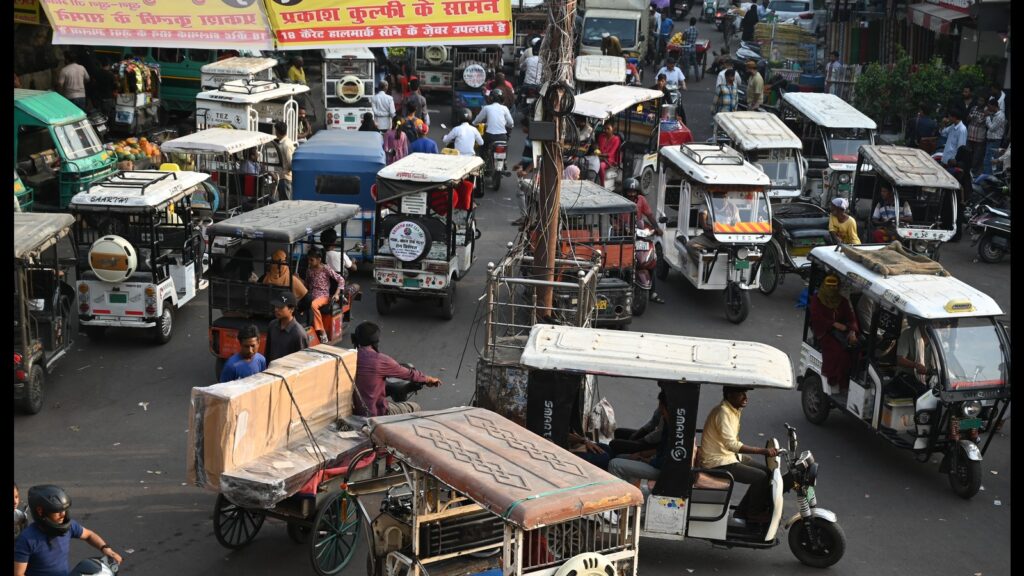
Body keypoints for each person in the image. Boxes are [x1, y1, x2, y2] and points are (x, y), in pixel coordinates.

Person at [699, 387, 779, 523]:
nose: (745, 398)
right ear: (729, 395)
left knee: (767, 472)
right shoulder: (723, 413)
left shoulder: (733, 410)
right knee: (760, 478)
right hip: (717, 462)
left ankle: (742, 511)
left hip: (728, 456)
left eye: (745, 394)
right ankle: (753, 513)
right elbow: (732, 444)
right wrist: (762, 451)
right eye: (741, 394)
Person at [15, 485, 123, 576]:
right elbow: (18, 574)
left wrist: (105, 548)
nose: (63, 514)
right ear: (40, 511)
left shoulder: (69, 527)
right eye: (57, 511)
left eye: (64, 510)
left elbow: (89, 535)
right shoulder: (26, 540)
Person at [351, 321, 442, 417]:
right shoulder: (380, 360)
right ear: (375, 341)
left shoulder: (349, 357)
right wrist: (429, 379)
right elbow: (410, 374)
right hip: (376, 413)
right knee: (415, 407)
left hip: (355, 411)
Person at [809, 274, 860, 393]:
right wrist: (833, 324)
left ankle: (851, 382)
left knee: (857, 352)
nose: (832, 289)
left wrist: (852, 331)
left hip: (842, 333)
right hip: (825, 332)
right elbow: (816, 318)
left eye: (834, 286)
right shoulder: (817, 299)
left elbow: (851, 318)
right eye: (829, 286)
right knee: (838, 353)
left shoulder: (842, 301)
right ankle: (839, 382)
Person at [608, 391, 670, 487]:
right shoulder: (667, 422)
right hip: (655, 458)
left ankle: (621, 494)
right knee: (621, 456)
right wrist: (641, 454)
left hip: (660, 468)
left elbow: (660, 463)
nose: (660, 410)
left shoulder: (674, 428)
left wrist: (643, 459)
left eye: (662, 407)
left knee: (614, 464)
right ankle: (630, 487)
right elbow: (659, 448)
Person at [623, 177, 665, 303]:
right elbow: (613, 218)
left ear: (637, 192)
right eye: (629, 192)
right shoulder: (620, 200)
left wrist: (656, 228)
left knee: (650, 261)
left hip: (638, 232)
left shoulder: (641, 200)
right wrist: (620, 227)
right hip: (623, 234)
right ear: (625, 192)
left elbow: (649, 215)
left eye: (634, 191)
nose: (631, 194)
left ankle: (653, 293)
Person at [304, 246, 345, 344]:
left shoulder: (326, 268)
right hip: (311, 294)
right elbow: (306, 284)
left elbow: (341, 280)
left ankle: (322, 332)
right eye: (308, 260)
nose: (309, 262)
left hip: (323, 296)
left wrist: (336, 294)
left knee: (313, 305)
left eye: (311, 260)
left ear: (319, 260)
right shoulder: (309, 270)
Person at [264, 292, 309, 362]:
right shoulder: (272, 325)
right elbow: (267, 353)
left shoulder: (299, 334)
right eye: (276, 306)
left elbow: (302, 362)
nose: (276, 309)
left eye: (280, 307)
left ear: (291, 309)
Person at [473, 90, 514, 157]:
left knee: (482, 147)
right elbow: (511, 123)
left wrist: (474, 123)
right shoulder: (505, 108)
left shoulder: (486, 108)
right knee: (504, 148)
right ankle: (504, 161)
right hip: (502, 136)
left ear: (491, 98)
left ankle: (483, 161)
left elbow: (477, 120)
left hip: (490, 136)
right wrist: (507, 128)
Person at [965, 92, 988, 176]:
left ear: (985, 102)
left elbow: (982, 121)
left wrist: (974, 118)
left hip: (979, 137)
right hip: (970, 135)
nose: (980, 102)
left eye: (982, 101)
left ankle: (974, 171)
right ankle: (966, 169)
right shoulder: (973, 108)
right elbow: (968, 119)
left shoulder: (986, 110)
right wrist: (969, 118)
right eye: (979, 100)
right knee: (967, 153)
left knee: (977, 156)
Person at [983, 98, 1007, 175]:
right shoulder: (993, 114)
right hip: (990, 140)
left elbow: (992, 128)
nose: (988, 109)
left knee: (989, 161)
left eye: (989, 107)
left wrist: (987, 117)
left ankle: (987, 177)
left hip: (995, 141)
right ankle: (988, 177)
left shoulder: (1000, 116)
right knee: (989, 160)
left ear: (994, 106)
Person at [273, 121, 294, 201]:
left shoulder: (285, 145)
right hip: (282, 177)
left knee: (285, 202)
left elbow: (290, 163)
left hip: (285, 178)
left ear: (278, 132)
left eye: (275, 131)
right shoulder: (286, 142)